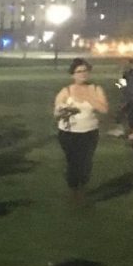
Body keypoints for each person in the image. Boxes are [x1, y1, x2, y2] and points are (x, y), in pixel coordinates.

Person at [54, 58, 108, 204]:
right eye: (79, 72)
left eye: (85, 71)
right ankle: (73, 189)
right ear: (73, 74)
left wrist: (89, 97)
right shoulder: (66, 91)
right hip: (69, 133)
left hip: (89, 132)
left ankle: (82, 189)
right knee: (73, 162)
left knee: (86, 162)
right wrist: (65, 111)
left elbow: (104, 109)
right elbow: (57, 112)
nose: (82, 74)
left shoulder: (96, 89)